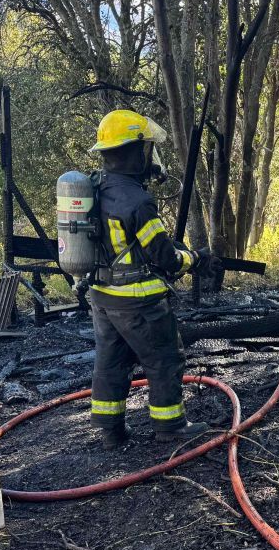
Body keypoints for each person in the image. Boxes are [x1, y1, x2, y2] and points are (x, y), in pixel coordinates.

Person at [87, 109, 216, 449]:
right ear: (134, 152)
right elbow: (166, 259)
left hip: (102, 296)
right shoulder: (139, 200)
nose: (151, 157)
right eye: (147, 149)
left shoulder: (95, 188)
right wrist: (196, 259)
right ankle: (170, 425)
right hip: (138, 301)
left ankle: (111, 432)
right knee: (164, 358)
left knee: (111, 362)